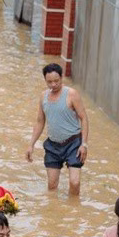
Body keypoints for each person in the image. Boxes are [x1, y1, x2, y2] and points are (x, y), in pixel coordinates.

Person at [26, 63, 89, 196]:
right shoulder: (43, 96)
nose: (53, 85)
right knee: (52, 185)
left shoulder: (72, 94)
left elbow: (84, 118)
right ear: (45, 80)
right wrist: (31, 144)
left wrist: (84, 144)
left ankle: (73, 210)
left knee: (75, 182)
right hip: (53, 145)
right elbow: (40, 121)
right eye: (49, 82)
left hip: (73, 144)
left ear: (62, 78)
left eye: (56, 81)